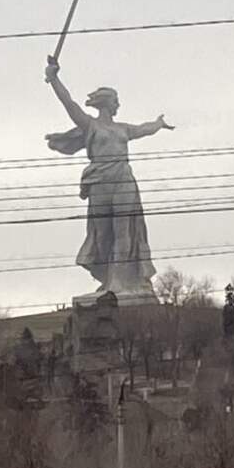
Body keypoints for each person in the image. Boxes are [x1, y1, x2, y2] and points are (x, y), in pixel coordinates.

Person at [44, 57, 174, 302]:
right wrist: (54, 79)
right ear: (106, 103)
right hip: (99, 182)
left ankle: (119, 281)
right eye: (115, 101)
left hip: (123, 180)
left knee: (123, 231)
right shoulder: (90, 125)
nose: (118, 105)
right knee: (102, 234)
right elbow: (69, 104)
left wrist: (158, 123)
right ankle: (108, 279)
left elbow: (144, 129)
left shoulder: (123, 129)